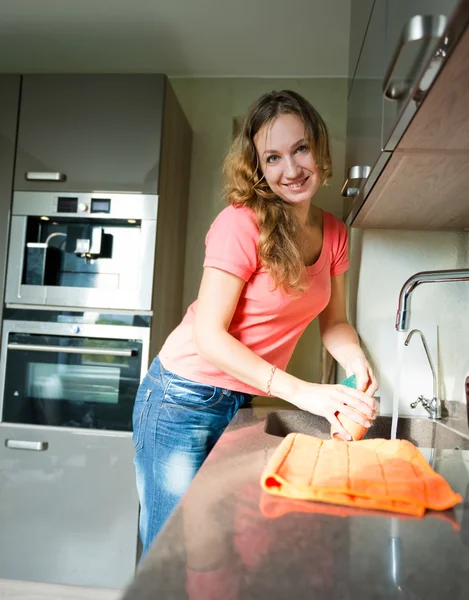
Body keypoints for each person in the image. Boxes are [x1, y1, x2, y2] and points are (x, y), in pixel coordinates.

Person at [132, 89, 378, 558]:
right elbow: (208, 335)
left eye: (300, 149)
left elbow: (336, 322)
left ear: (320, 150)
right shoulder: (240, 224)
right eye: (273, 157)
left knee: (217, 551)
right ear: (259, 168)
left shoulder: (334, 233)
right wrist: (304, 392)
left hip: (240, 397)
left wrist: (357, 361)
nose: (291, 169)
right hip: (179, 399)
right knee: (174, 553)